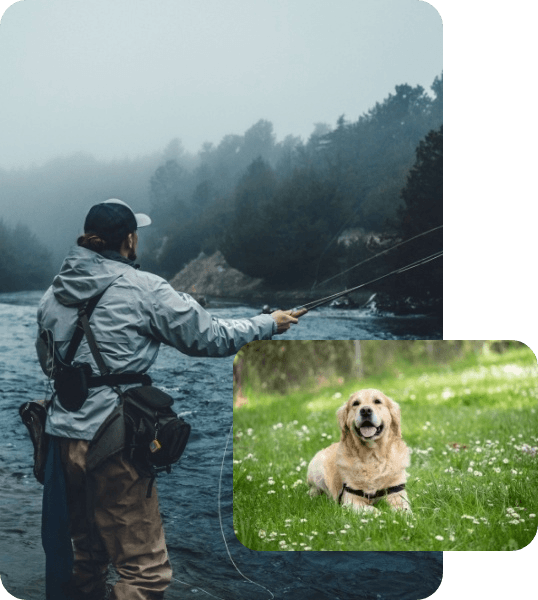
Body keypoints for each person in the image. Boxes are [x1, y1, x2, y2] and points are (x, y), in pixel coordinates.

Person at [35, 198, 304, 600]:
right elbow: (209, 336)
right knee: (144, 573)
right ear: (129, 240)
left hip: (60, 439)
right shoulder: (145, 288)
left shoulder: (52, 294)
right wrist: (268, 323)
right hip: (113, 444)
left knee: (85, 557)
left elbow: (49, 363)